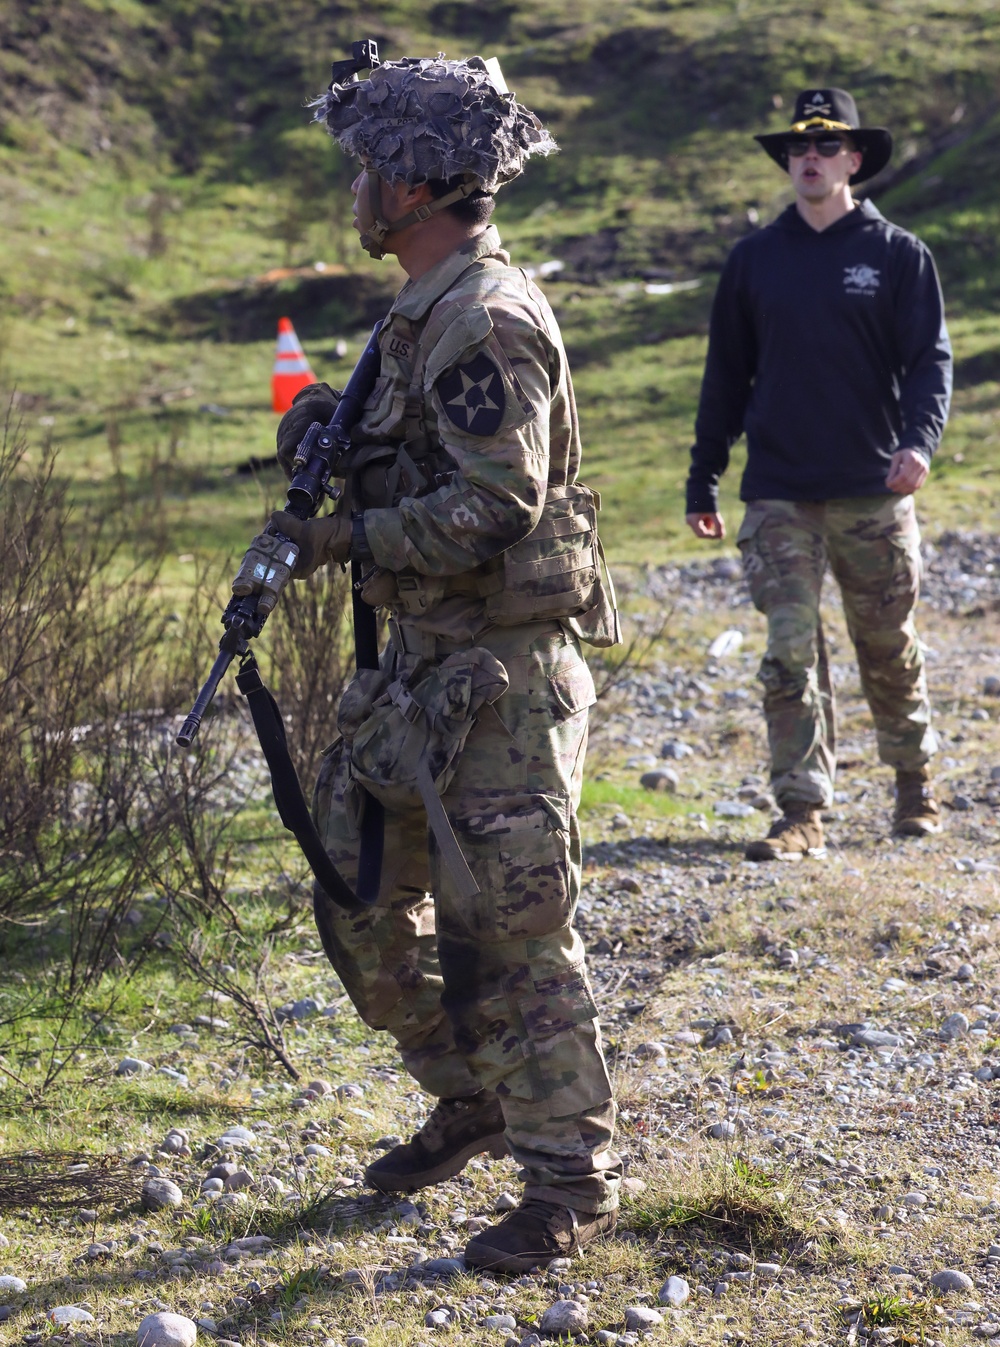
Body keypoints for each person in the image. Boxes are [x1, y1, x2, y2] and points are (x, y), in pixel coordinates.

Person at [243, 48, 622, 1270]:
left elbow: (497, 506)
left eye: (366, 166)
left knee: (511, 928)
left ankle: (565, 1182)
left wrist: (339, 537)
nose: (353, 188)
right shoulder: (424, 308)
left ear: (410, 182)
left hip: (499, 676)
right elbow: (425, 466)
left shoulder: (485, 317)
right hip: (424, 665)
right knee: (360, 900)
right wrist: (332, 448)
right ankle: (472, 1098)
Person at [685, 87, 952, 862]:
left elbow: (930, 362)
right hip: (779, 490)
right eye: (800, 147)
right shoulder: (754, 261)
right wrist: (703, 477)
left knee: (887, 644)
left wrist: (920, 443)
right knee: (788, 649)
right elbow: (724, 377)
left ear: (854, 160)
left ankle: (914, 785)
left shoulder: (898, 255)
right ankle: (801, 810)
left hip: (875, 486)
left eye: (827, 146)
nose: (811, 158)